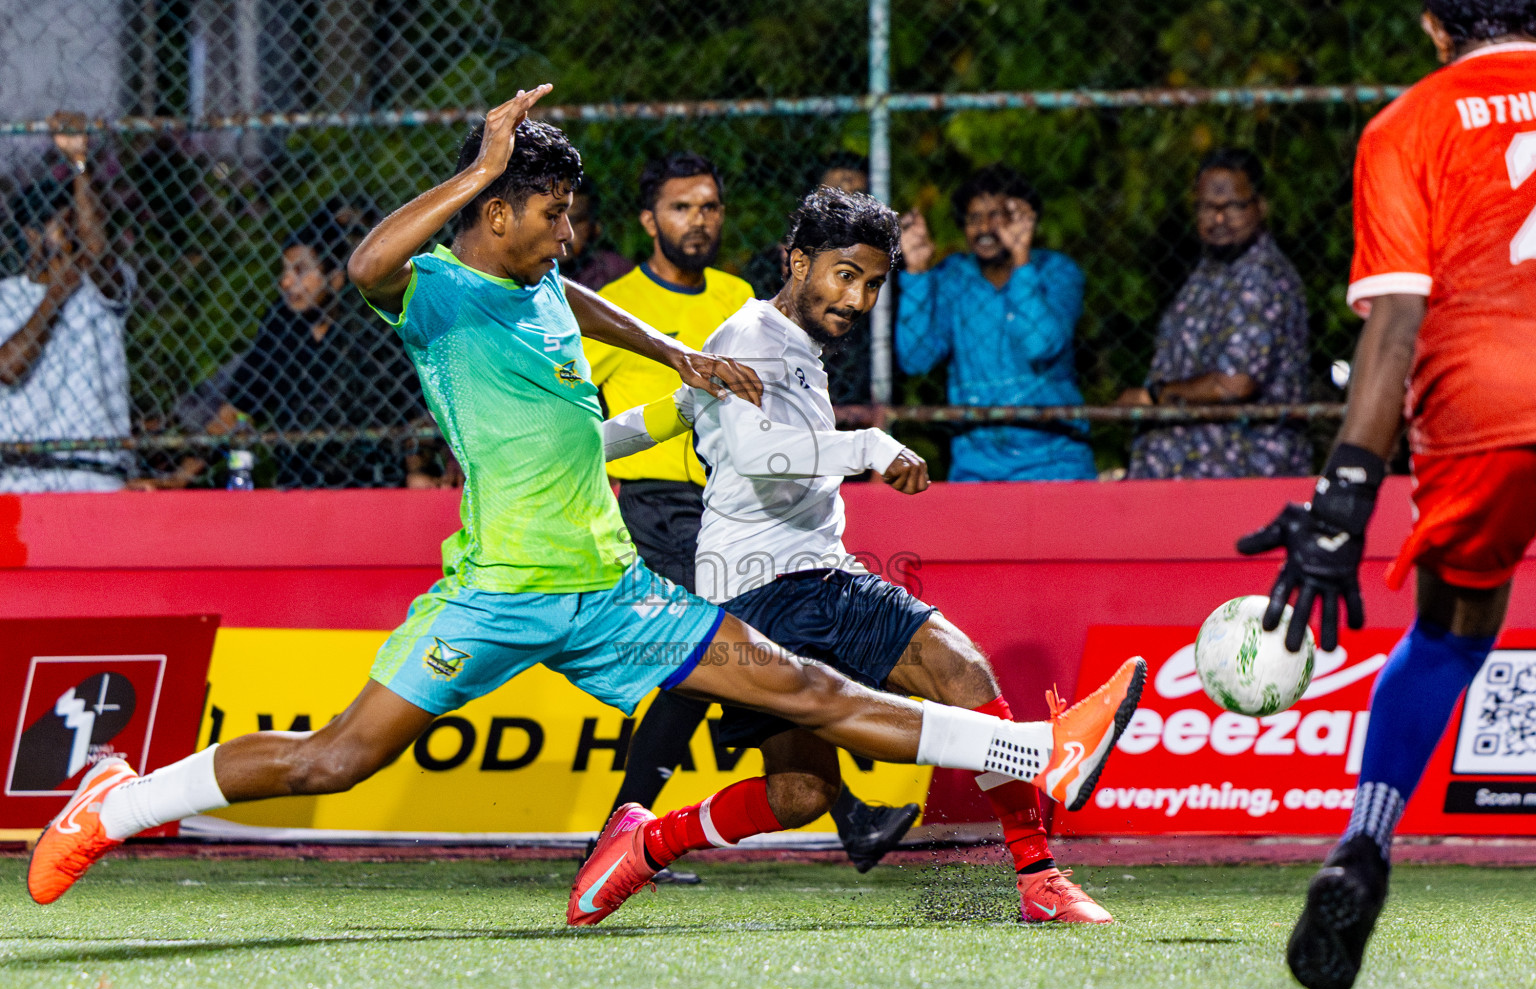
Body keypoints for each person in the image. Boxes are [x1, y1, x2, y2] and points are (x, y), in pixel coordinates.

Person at [27, 87, 1144, 919]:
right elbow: (367, 265)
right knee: (335, 761)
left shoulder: (542, 283)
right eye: (550, 213)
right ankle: (116, 801)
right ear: (495, 209)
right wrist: (478, 167)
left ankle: (1031, 751)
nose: (566, 235)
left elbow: (581, 301)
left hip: (615, 593)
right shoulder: (438, 293)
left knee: (812, 692)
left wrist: (675, 354)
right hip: (498, 594)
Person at [596, 187, 1120, 923]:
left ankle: (644, 844)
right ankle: (1041, 821)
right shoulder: (752, 334)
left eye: (872, 284)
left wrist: (576, 449)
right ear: (798, 261)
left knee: (801, 793)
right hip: (775, 583)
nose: (857, 299)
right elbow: (756, 454)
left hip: (779, 578)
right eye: (845, 275)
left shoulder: (790, 345)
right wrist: (868, 445)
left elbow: (675, 410)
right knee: (956, 671)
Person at [1237, 4, 1536, 989]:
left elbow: (1397, 322)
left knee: (1450, 634)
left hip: (1485, 399)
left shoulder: (1409, 123)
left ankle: (1364, 846)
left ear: (1434, 23)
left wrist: (1341, 501)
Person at [584, 152, 915, 880]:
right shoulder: (613, 303)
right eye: (681, 207)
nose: (698, 220)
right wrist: (569, 452)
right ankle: (624, 835)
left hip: (725, 503)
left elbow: (694, 404)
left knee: (720, 666)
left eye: (709, 206)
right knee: (705, 665)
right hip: (659, 511)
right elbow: (638, 411)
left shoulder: (744, 302)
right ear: (649, 221)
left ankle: (830, 809)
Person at [129, 207, 437, 489]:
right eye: (285, 272)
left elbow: (409, 411)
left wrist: (418, 473)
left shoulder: (369, 327)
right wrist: (179, 479)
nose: (286, 283)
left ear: (334, 279)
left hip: (372, 482)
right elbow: (237, 410)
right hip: (298, 483)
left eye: (300, 271)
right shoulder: (281, 326)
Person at [1117, 149, 1312, 478]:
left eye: (1233, 206)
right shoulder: (1209, 271)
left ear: (1260, 206)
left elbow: (1234, 384)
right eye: (1208, 207)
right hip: (1182, 469)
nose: (1219, 219)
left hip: (1238, 469)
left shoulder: (1262, 276)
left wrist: (1155, 396)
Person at [895, 165, 1096, 481]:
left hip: (1055, 458)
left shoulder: (1057, 272)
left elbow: (1040, 346)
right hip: (977, 465)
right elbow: (915, 359)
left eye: (997, 216)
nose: (984, 228)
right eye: (974, 218)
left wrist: (1021, 260)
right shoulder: (953, 278)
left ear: (1022, 219)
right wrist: (917, 273)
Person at [0, 112, 134, 492]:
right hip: (23, 477)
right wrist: (56, 294)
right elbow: (9, 368)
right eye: (64, 226)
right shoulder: (6, 296)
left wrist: (79, 162)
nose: (76, 236)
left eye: (79, 224)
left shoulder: (100, 286)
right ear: (32, 235)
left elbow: (98, 251)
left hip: (96, 472)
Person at [745, 152, 875, 404]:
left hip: (856, 405)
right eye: (835, 197)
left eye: (858, 197)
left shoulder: (880, 273)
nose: (847, 209)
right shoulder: (769, 266)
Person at [557, 178, 633, 290]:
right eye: (553, 217)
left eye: (575, 221)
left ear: (595, 228)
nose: (564, 232)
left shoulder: (616, 273)